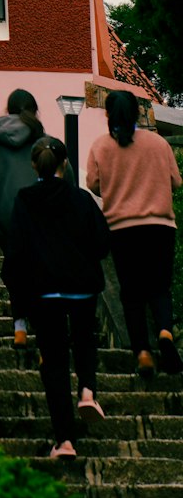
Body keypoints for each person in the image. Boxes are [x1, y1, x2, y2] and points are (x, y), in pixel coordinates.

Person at [3, 135, 111, 460]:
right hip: (81, 285)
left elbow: (16, 253)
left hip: (43, 291)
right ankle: (88, 391)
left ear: (34, 165)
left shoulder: (24, 201)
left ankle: (64, 440)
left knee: (54, 363)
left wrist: (18, 312)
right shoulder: (81, 199)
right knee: (84, 340)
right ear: (65, 164)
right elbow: (103, 243)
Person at [86, 89, 183, 377]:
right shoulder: (158, 144)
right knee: (159, 288)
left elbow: (93, 185)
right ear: (138, 112)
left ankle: (142, 352)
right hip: (160, 227)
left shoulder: (101, 146)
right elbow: (176, 182)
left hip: (122, 229)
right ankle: (165, 331)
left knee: (132, 295)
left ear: (108, 114)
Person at [0, 88, 47, 349]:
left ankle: (19, 327)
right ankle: (43, 335)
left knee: (15, 271)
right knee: (39, 273)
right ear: (33, 109)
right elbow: (64, 175)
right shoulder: (43, 140)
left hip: (7, 218)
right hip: (40, 218)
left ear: (9, 109)